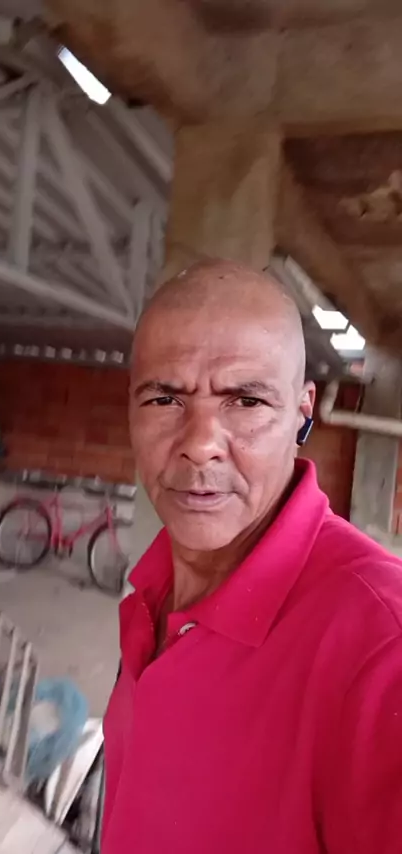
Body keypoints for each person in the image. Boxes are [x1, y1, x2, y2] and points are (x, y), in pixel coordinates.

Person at [102, 259, 402, 854]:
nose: (200, 445)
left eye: (245, 400)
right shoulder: (153, 593)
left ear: (303, 413)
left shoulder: (381, 647)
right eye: (164, 398)